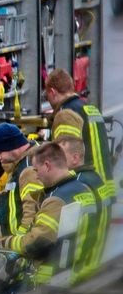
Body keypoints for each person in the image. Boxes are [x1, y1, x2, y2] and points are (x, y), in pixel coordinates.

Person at [0, 142, 97, 286]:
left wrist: (5, 242)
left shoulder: (56, 199)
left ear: (47, 165)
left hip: (57, 281)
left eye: (37, 170)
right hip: (83, 273)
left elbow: (37, 242)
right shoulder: (82, 189)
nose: (36, 177)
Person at [52, 109, 111, 280]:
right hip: (92, 268)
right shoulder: (95, 179)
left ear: (75, 157)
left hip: (72, 276)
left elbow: (66, 241)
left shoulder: (75, 187)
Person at [0, 123, 43, 294]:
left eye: (0, 151)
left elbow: (31, 214)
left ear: (13, 146)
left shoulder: (28, 169)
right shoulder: (19, 165)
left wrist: (18, 248)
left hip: (21, 254)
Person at [45, 68, 114, 199]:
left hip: (84, 188)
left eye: (47, 95)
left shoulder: (66, 115)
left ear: (52, 92)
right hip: (102, 185)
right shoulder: (90, 108)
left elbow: (65, 158)